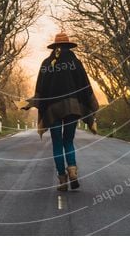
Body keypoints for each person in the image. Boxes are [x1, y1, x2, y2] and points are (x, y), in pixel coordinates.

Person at [21, 31, 99, 191]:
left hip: (52, 110)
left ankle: (62, 180)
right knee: (68, 141)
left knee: (57, 143)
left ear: (55, 46)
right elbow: (85, 86)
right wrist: (91, 104)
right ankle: (73, 172)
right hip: (72, 108)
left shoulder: (45, 64)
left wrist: (27, 103)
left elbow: (40, 91)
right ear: (68, 46)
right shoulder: (76, 63)